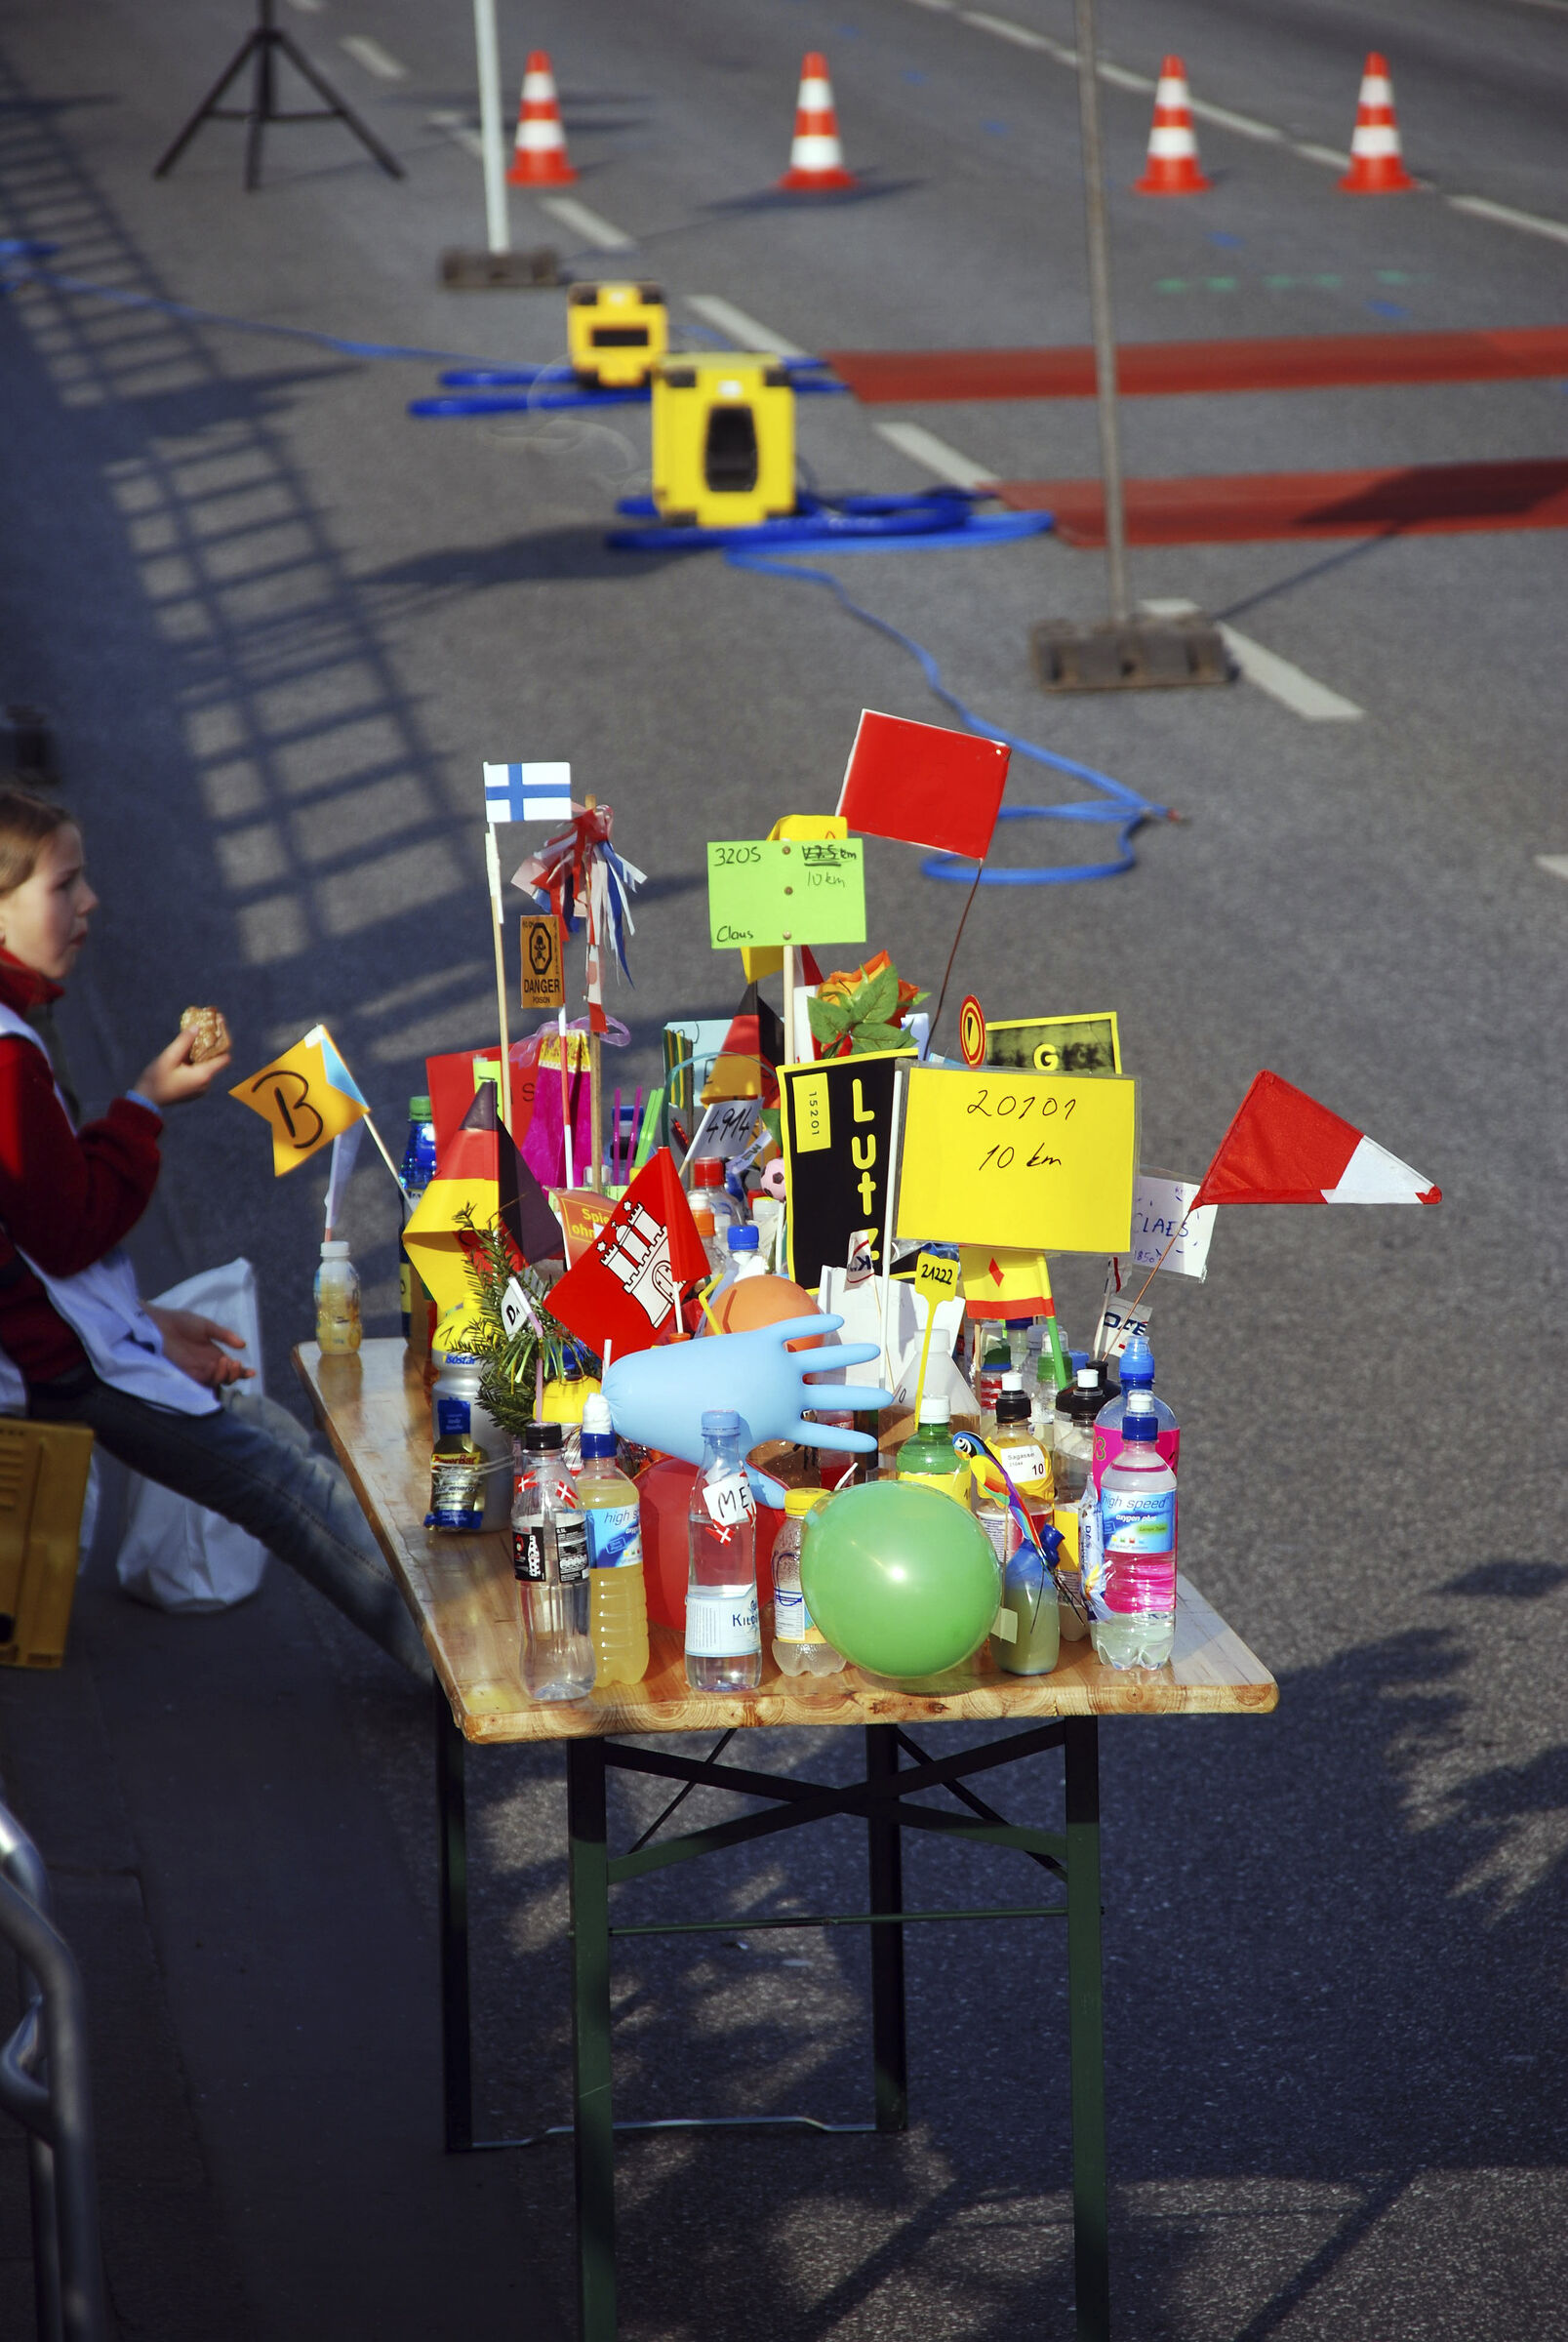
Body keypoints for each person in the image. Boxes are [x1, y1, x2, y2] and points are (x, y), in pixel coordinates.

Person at [0, 787, 426, 1677]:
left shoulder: (19, 1032)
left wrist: (146, 1318)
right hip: (62, 1365)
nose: (89, 903)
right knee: (288, 1488)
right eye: (64, 885)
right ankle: (457, 1671)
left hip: (69, 1339)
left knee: (268, 1437)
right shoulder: (6, 1054)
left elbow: (29, 1237)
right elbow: (70, 1228)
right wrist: (144, 1108)